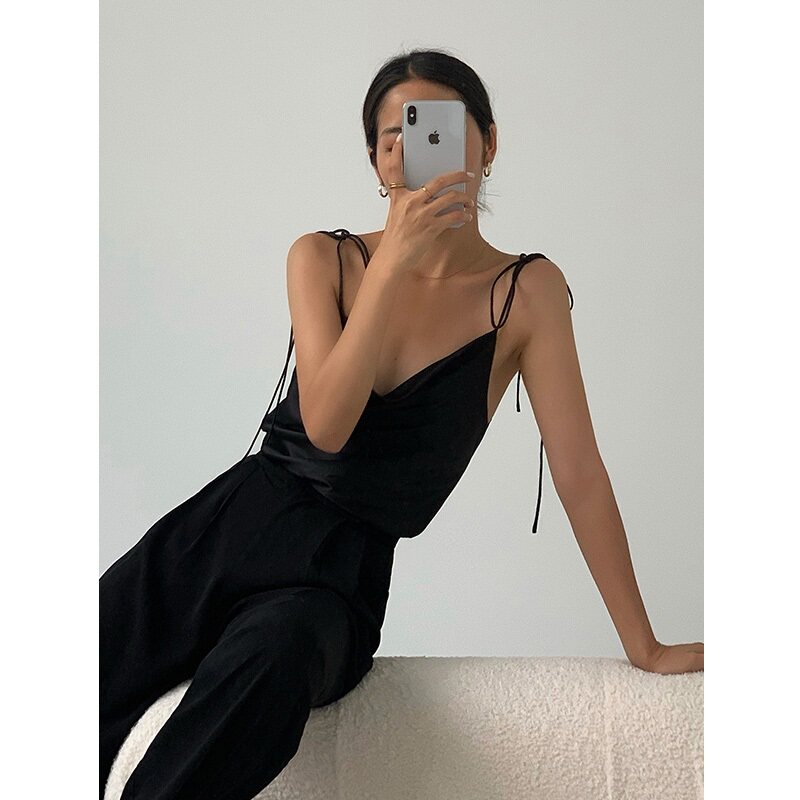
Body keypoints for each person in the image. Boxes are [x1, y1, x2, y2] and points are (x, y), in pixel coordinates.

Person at [100, 49, 703, 800]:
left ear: (487, 142)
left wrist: (643, 644)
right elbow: (326, 423)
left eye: (439, 129)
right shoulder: (322, 258)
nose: (414, 150)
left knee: (271, 663)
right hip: (217, 537)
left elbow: (578, 473)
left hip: (331, 589)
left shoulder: (526, 293)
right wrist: (391, 265)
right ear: (376, 160)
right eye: (396, 136)